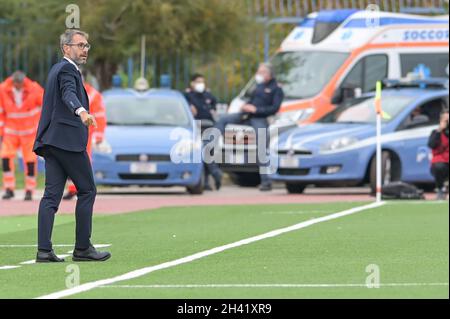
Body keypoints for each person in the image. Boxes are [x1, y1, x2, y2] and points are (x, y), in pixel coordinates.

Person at [33, 29, 110, 263]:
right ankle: (83, 248)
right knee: (87, 190)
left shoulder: (56, 69)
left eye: (87, 45)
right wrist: (82, 112)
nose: (85, 49)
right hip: (67, 142)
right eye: (80, 45)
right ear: (66, 48)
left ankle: (44, 251)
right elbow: (68, 94)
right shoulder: (67, 69)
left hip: (52, 142)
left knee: (51, 197)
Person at [215, 63, 284, 191]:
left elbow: (274, 108)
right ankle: (214, 145)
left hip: (260, 118)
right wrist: (246, 106)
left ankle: (266, 181)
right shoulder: (258, 86)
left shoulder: (276, 89)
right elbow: (251, 100)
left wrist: (256, 109)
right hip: (246, 116)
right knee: (223, 119)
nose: (259, 75)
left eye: (261, 72)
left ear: (269, 74)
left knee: (261, 145)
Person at [63, 69, 107, 200]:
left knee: (82, 162)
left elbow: (100, 117)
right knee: (68, 162)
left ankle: (84, 188)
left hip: (85, 133)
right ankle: (72, 189)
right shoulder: (67, 91)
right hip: (69, 132)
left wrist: (98, 135)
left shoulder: (93, 94)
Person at [0, 71, 43, 201]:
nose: (18, 86)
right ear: (13, 82)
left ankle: (29, 190)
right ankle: (9, 188)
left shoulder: (34, 89)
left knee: (30, 161)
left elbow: (46, 105)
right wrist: (1, 131)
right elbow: (1, 112)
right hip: (11, 132)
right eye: (16, 84)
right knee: (5, 158)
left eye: (20, 84)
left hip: (29, 132)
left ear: (23, 81)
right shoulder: (3, 89)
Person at [184, 73, 222, 191]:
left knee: (207, 153)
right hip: (196, 127)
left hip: (209, 127)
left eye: (202, 81)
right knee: (201, 154)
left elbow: (214, 108)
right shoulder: (187, 96)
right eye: (198, 81)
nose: (201, 84)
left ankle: (207, 181)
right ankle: (214, 175)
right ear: (192, 83)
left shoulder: (208, 95)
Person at [428, 110, 449, 200]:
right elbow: (431, 144)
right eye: (445, 120)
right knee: (439, 167)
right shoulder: (435, 132)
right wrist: (439, 130)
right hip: (441, 162)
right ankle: (440, 189)